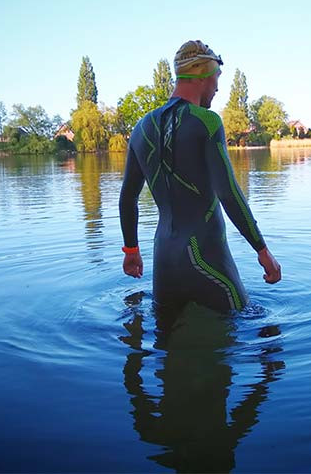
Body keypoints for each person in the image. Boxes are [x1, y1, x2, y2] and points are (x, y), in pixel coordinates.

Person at [119, 40, 281, 313]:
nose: (218, 88)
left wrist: (131, 251)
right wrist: (262, 251)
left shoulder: (140, 128)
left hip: (164, 262)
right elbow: (228, 193)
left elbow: (127, 199)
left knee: (165, 345)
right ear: (203, 75)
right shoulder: (207, 121)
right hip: (205, 257)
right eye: (217, 78)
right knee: (245, 332)